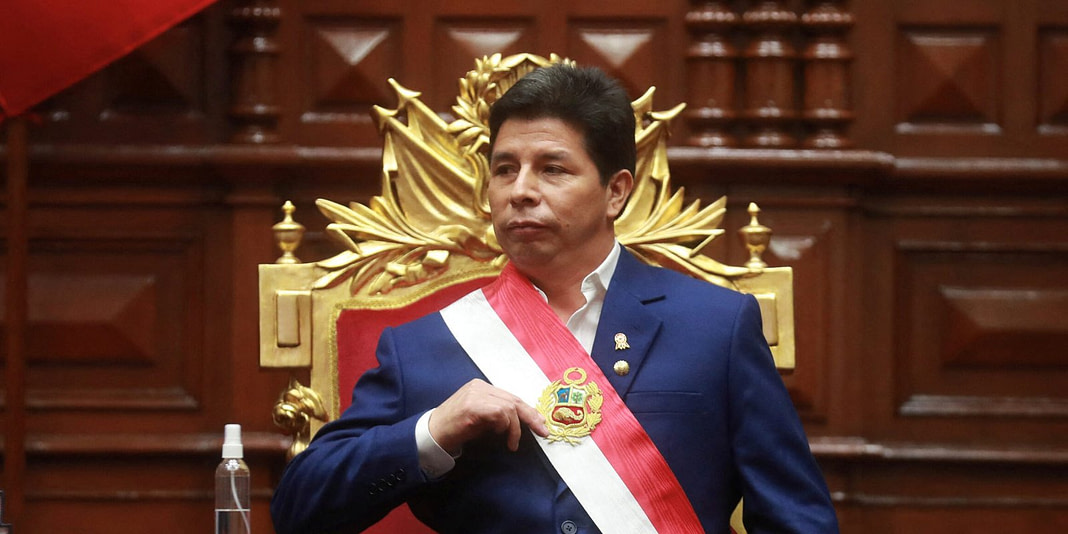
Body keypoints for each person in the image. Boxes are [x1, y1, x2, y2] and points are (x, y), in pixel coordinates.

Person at [270, 64, 839, 534]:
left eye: (552, 169)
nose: (520, 191)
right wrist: (434, 430)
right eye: (504, 170)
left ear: (615, 191)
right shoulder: (421, 346)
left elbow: (796, 518)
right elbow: (300, 508)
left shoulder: (716, 326)